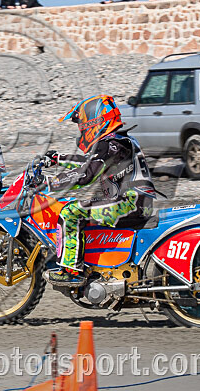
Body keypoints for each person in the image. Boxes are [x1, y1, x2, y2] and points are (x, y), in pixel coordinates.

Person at [42, 95, 154, 286]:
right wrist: (58, 159)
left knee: (70, 213)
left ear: (95, 121)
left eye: (82, 125)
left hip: (129, 205)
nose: (81, 129)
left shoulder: (110, 144)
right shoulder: (119, 140)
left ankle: (71, 271)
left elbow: (87, 174)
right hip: (136, 203)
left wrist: (51, 183)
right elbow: (90, 163)